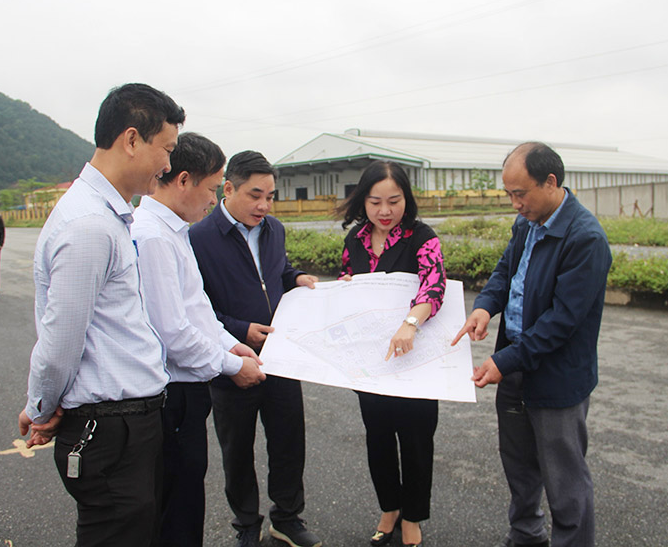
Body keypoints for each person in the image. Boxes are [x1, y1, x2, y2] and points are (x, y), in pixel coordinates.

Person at [17, 83, 185, 547]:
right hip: (111, 428)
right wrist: (41, 408)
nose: (168, 164)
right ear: (131, 140)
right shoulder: (90, 225)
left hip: (124, 424)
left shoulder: (107, 215)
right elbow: (60, 341)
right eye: (166, 149)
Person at [452, 142, 612, 547]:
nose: (515, 204)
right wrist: (485, 307)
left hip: (556, 378)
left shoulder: (585, 238)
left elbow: (561, 322)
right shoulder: (526, 223)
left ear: (551, 182)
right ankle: (526, 536)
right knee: (519, 466)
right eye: (509, 194)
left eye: (520, 193)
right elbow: (506, 271)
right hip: (515, 367)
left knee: (564, 479)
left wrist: (503, 361)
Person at [132, 132, 267, 547]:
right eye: (211, 189)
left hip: (190, 387)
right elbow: (172, 330)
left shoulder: (174, 231)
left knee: (188, 492)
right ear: (183, 180)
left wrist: (228, 343)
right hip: (173, 392)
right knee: (176, 503)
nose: (213, 200)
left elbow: (197, 308)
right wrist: (232, 364)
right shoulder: (153, 236)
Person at [188, 151, 321, 547]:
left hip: (281, 357)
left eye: (270, 196)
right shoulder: (198, 238)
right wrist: (240, 330)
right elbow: (195, 307)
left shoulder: (273, 229)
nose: (264, 205)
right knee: (237, 450)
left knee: (288, 443)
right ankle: (246, 523)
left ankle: (287, 518)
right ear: (228, 189)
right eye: (255, 195)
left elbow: (277, 273)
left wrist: (297, 277)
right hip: (231, 363)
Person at [335, 160, 446, 547]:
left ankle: (412, 516)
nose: (385, 211)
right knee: (378, 438)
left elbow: (433, 286)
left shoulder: (422, 237)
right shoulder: (355, 240)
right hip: (373, 362)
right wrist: (346, 288)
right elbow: (349, 281)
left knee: (416, 441)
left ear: (406, 199)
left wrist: (410, 323)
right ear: (362, 202)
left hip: (415, 357)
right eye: (375, 202)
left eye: (394, 201)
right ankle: (389, 508)